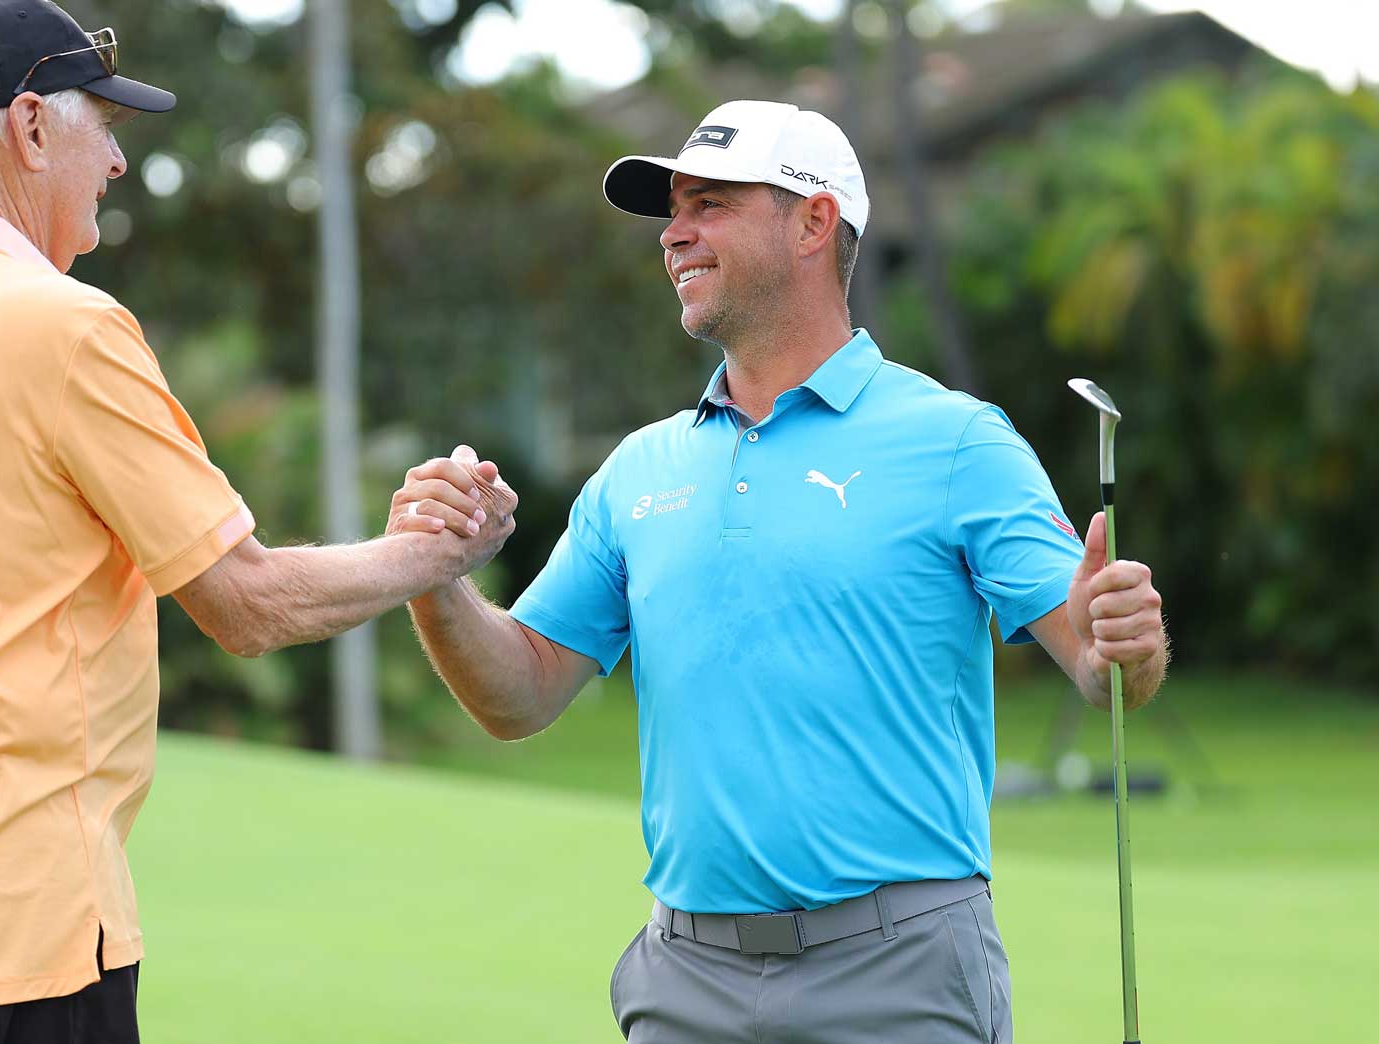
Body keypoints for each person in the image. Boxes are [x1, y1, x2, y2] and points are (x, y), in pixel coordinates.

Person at [0, 3, 506, 1041]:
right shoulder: (66, 326)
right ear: (30, 127)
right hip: (25, 944)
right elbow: (246, 604)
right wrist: (435, 551)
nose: (116, 162)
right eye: (102, 127)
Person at [387, 100, 1167, 1042]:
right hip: (684, 982)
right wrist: (432, 575)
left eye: (710, 204)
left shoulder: (957, 440)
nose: (673, 234)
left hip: (898, 976)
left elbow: (1099, 663)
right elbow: (518, 694)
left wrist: (1122, 643)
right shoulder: (639, 469)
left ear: (813, 222)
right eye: (673, 211)